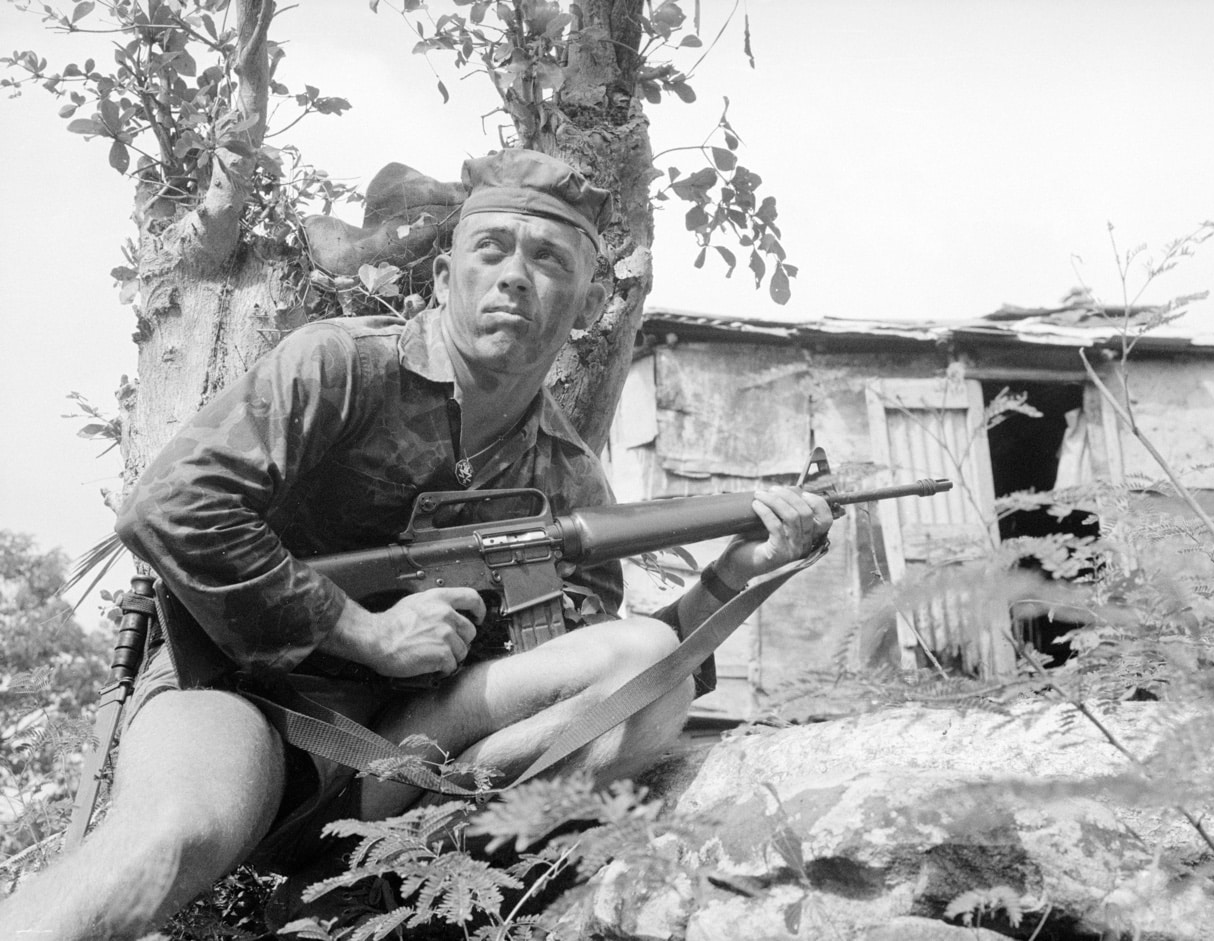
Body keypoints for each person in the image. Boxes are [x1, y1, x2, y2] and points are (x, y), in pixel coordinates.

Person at [0, 150, 831, 939]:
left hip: (408, 753)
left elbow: (603, 668)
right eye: (492, 248)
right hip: (243, 696)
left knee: (653, 668)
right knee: (173, 836)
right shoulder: (339, 369)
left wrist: (732, 580)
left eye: (548, 258)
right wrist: (365, 632)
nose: (515, 273)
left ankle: (408, 868)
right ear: (442, 277)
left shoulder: (569, 476)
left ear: (582, 305)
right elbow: (168, 507)